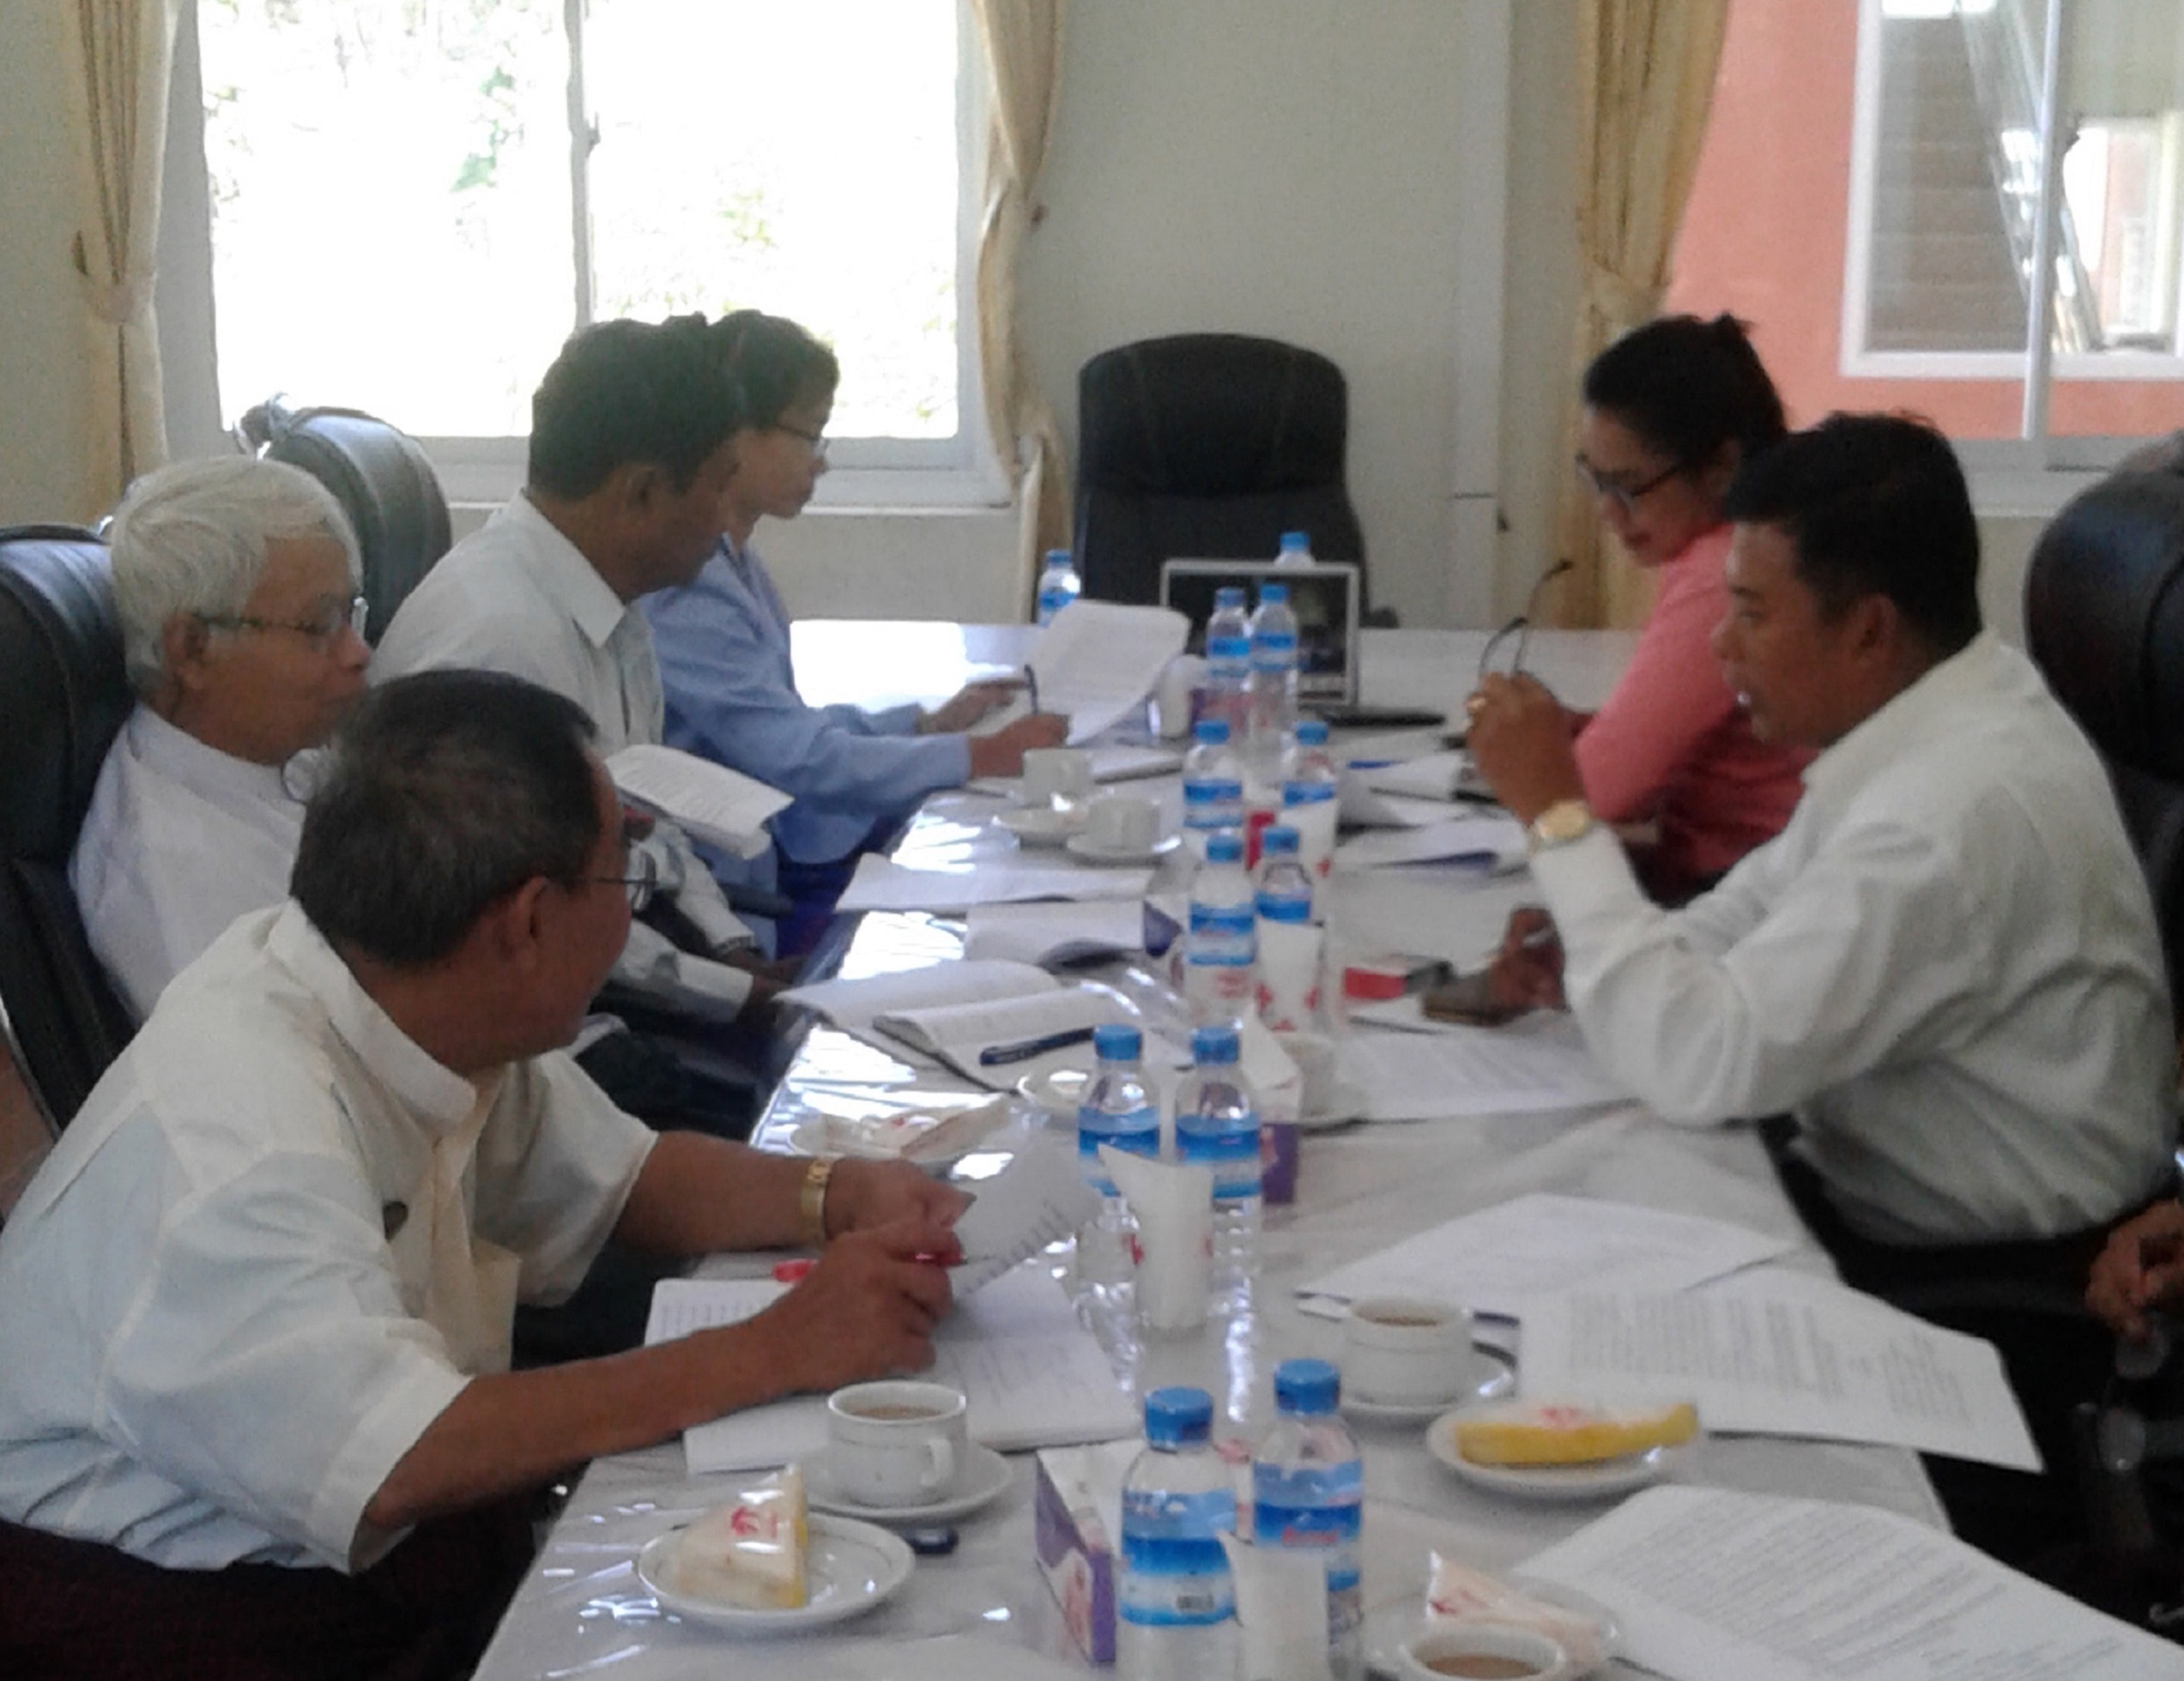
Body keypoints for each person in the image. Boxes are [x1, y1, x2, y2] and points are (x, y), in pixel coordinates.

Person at [0, 671, 964, 1679]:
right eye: (624, 880)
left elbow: (626, 1176)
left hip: (362, 1548)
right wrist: (773, 1348)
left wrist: (835, 1192)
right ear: (528, 921)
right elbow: (398, 1456)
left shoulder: (405, 1001)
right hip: (170, 1613)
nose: (629, 911)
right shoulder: (245, 1142)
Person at [1469, 412, 2174, 1266]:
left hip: (1980, 1277)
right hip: (1877, 1203)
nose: (1722, 645)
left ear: (1869, 630)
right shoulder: (1947, 712)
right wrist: (1595, 958)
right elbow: (1749, 917)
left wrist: (1559, 821)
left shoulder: (1946, 817)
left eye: (1751, 613)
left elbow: (1701, 1060)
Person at [373, 315, 780, 1130]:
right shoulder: (497, 643)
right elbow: (537, 920)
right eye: (719, 485)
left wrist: (731, 945)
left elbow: (651, 822)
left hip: (607, 981)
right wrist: (735, 994)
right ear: (642, 492)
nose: (728, 517)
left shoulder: (612, 607)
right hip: (527, 1050)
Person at [642, 309, 1067, 951]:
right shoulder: (690, 585)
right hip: (743, 891)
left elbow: (785, 724)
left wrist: (923, 725)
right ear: (737, 434)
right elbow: (801, 759)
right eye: (810, 436)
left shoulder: (735, 561)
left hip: (788, 845)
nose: (822, 463)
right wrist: (979, 754)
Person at [70, 456, 370, 1019]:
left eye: (351, 616)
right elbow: (286, 1066)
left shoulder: (276, 754)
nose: (358, 653)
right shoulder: (173, 875)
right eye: (319, 627)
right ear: (192, 649)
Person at [1559, 314, 1810, 903]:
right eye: (1595, 482)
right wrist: (1599, 731)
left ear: (1720, 468)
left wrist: (1526, 765)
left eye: (1628, 488)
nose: (1608, 514)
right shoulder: (1742, 540)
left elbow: (1595, 793)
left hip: (1745, 893)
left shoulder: (1721, 572)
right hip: (1742, 873)